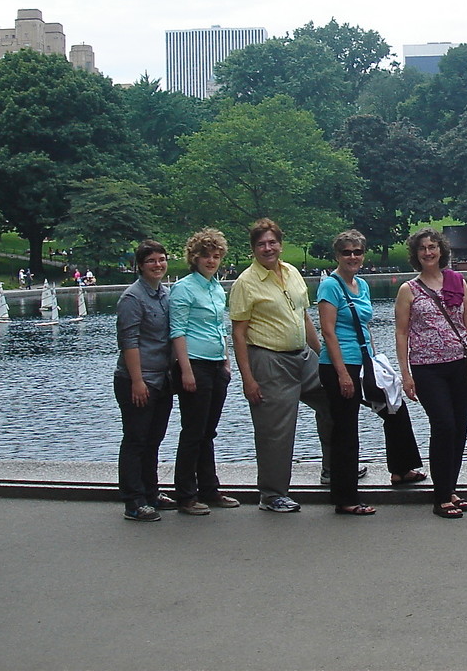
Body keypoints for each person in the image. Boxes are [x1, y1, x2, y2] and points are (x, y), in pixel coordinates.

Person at [230, 218, 355, 513]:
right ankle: (272, 494)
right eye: (261, 244)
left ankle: (332, 469)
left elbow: (304, 317)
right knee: (276, 429)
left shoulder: (293, 273)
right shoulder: (245, 283)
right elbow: (238, 333)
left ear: (280, 245)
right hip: (269, 359)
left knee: (334, 402)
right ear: (253, 249)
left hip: (303, 356)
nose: (268, 248)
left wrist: (322, 355)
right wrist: (248, 379)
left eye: (272, 242)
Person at [317, 229, 425, 516]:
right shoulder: (330, 286)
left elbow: (363, 326)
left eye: (357, 252)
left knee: (394, 409)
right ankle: (345, 497)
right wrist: (342, 374)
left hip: (365, 362)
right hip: (339, 365)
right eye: (346, 252)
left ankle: (401, 470)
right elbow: (328, 332)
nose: (352, 257)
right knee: (346, 430)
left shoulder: (361, 285)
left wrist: (377, 360)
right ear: (337, 256)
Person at [395, 227, 467, 519]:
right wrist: (406, 374)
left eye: (433, 247)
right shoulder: (408, 290)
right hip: (427, 369)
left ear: (441, 250)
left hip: (460, 365)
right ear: (416, 255)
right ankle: (440, 497)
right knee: (444, 426)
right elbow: (401, 334)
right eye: (422, 248)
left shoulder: (457, 281)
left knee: (459, 429)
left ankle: (450, 487)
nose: (428, 252)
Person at [169, 228, 240, 515]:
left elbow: (219, 327)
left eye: (216, 256)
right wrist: (185, 370)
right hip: (194, 364)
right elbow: (178, 331)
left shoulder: (215, 287)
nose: (211, 261)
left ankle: (209, 489)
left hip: (215, 364)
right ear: (194, 258)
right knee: (193, 431)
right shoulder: (184, 288)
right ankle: (186, 494)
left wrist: (226, 360)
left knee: (208, 431)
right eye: (206, 256)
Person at [114, 239, 176, 522]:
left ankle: (152, 492)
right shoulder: (132, 298)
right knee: (136, 439)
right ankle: (133, 500)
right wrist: (137, 381)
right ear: (139, 266)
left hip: (162, 379)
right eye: (151, 261)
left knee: (154, 439)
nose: (158, 265)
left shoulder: (166, 294)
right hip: (136, 379)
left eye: (161, 259)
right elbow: (128, 342)